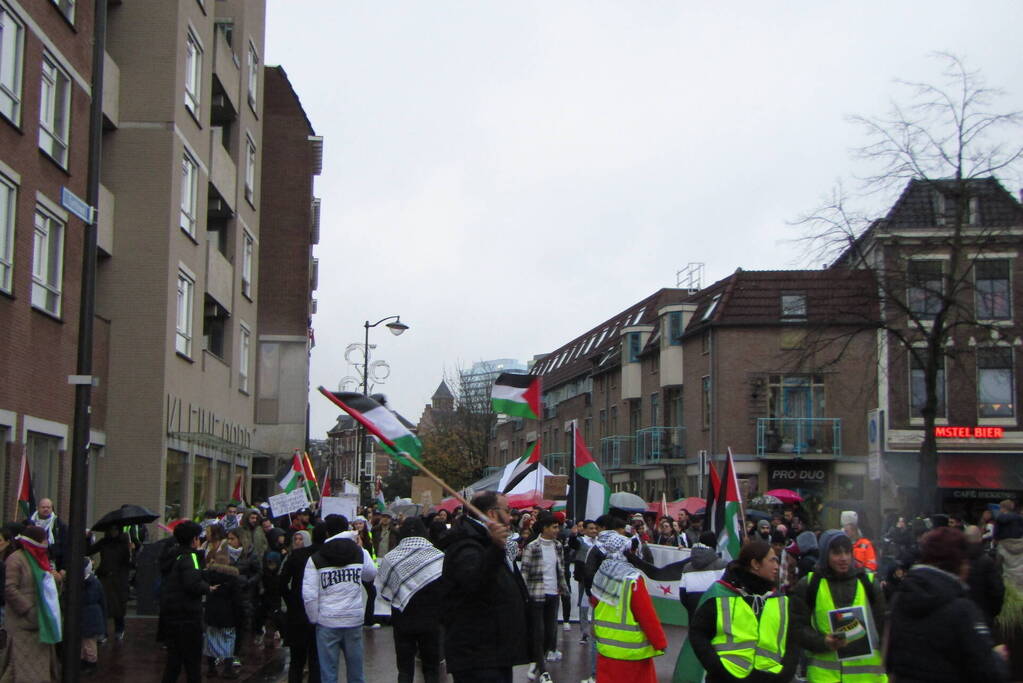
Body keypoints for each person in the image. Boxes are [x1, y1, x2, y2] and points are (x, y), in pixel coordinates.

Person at [887, 527, 1008, 682]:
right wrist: (998, 658)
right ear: (958, 563)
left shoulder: (900, 599)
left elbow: (890, 660)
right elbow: (988, 673)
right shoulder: (962, 610)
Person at [684, 540, 803, 683]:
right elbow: (698, 634)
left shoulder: (781, 601)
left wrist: (784, 675)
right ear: (755, 564)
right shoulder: (719, 593)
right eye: (772, 561)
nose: (777, 567)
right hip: (725, 678)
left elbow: (793, 642)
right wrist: (718, 669)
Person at [442, 491, 530, 683]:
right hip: (478, 653)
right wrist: (495, 549)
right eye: (507, 511)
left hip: (495, 651)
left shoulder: (487, 542)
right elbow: (474, 583)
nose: (510, 517)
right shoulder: (466, 544)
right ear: (491, 513)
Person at [792, 529, 887, 682]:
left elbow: (884, 628)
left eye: (847, 552)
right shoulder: (810, 585)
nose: (844, 558)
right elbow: (797, 628)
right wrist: (823, 642)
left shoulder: (868, 583)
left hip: (867, 677)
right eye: (836, 553)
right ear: (824, 555)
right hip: (825, 677)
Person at [303, 515, 377, 683]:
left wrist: (315, 618)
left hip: (327, 621)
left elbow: (309, 594)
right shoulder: (358, 552)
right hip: (353, 619)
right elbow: (371, 574)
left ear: (327, 532)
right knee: (356, 673)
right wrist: (363, 549)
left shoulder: (316, 558)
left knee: (328, 674)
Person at [592, 531, 667, 683]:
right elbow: (646, 615)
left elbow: (595, 602)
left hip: (606, 649)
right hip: (632, 654)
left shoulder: (602, 574)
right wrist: (660, 642)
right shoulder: (632, 579)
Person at [377, 517, 446, 683]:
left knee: (405, 669)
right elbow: (445, 587)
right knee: (431, 667)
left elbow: (383, 587)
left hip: (402, 619)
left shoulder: (391, 558)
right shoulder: (437, 556)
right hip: (431, 619)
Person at [0, 526, 62, 682]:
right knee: (18, 670)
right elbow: (9, 588)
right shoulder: (16, 559)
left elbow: (46, 588)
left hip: (41, 626)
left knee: (38, 671)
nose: (46, 543)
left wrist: (57, 580)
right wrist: (28, 609)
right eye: (43, 539)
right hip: (23, 627)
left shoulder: (41, 559)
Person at [159, 521, 212, 683]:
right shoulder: (191, 557)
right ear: (194, 539)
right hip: (188, 618)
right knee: (192, 665)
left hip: (171, 616)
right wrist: (208, 587)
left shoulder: (174, 555)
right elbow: (193, 584)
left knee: (173, 663)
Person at [520, 512, 569, 678]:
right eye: (554, 527)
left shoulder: (558, 546)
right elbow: (524, 572)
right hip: (536, 594)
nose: (557, 530)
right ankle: (542, 670)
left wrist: (563, 587)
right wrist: (524, 595)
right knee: (538, 632)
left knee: (550, 633)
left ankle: (536, 660)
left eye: (558, 527)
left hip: (553, 593)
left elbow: (560, 568)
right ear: (545, 528)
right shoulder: (532, 547)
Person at [281, 527, 321, 683]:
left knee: (297, 659)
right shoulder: (318, 556)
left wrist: (291, 599)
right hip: (311, 612)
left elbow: (282, 583)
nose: (298, 542)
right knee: (313, 657)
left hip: (297, 611)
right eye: (295, 539)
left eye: (300, 539)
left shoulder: (295, 557)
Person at [203, 532, 242, 679]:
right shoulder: (233, 578)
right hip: (228, 615)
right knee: (228, 639)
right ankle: (227, 668)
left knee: (211, 639)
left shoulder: (209, 577)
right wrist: (240, 616)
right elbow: (237, 600)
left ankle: (211, 668)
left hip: (212, 614)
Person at [88, 524, 132, 641]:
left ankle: (119, 629)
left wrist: (130, 549)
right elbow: (89, 550)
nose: (113, 532)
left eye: (116, 529)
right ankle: (103, 632)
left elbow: (128, 562)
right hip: (105, 577)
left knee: (119, 605)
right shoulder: (104, 542)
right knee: (104, 604)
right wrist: (87, 539)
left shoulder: (123, 544)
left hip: (118, 579)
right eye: (111, 529)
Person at [964, 524, 1004, 628]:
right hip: (984, 618)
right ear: (980, 538)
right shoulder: (987, 562)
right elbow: (997, 591)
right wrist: (992, 613)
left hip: (962, 621)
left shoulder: (958, 562)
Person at [80, 558, 107, 676]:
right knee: (84, 643)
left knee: (89, 643)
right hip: (88, 618)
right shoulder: (93, 582)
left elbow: (90, 598)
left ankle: (91, 663)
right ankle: (85, 662)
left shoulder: (92, 583)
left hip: (90, 618)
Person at [28, 497, 68, 571]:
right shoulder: (29, 523)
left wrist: (63, 568)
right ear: (38, 508)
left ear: (52, 509)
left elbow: (66, 547)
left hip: (53, 564)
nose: (46, 509)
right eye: (43, 507)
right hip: (33, 561)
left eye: (48, 507)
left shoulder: (59, 525)